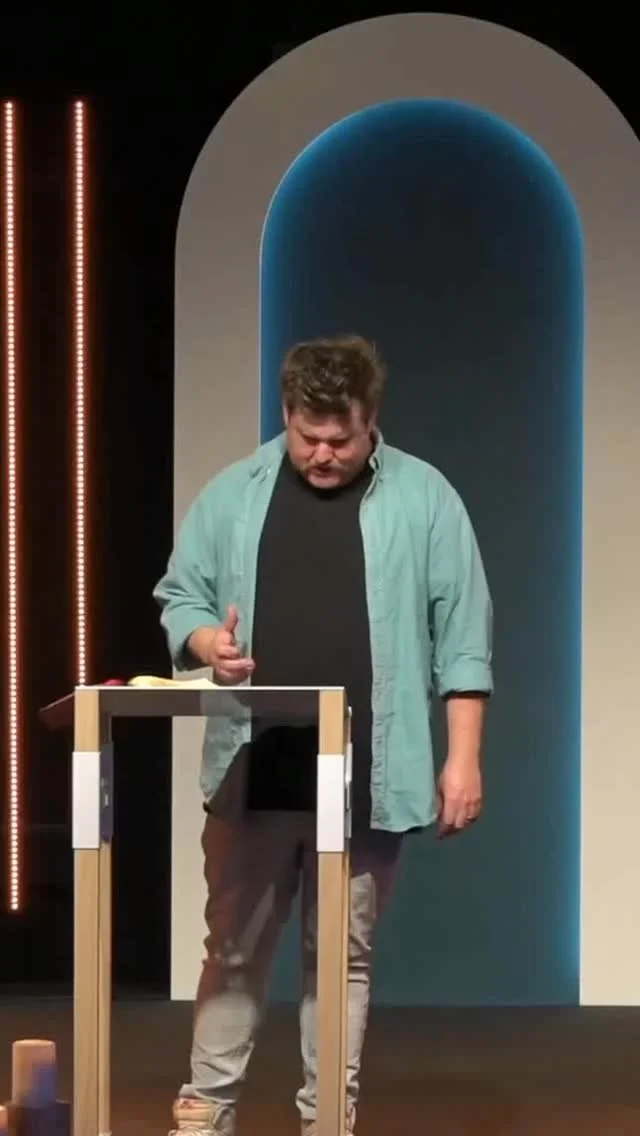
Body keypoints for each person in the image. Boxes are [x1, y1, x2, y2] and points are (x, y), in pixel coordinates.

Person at [153, 334, 493, 1136]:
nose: (323, 454)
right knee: (233, 949)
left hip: (369, 772)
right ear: (287, 413)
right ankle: (206, 1112)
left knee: (342, 960)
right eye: (308, 436)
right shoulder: (235, 493)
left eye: (341, 438)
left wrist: (464, 759)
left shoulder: (426, 498)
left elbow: (464, 637)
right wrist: (208, 643)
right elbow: (181, 596)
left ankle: (328, 1119)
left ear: (371, 420)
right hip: (256, 765)